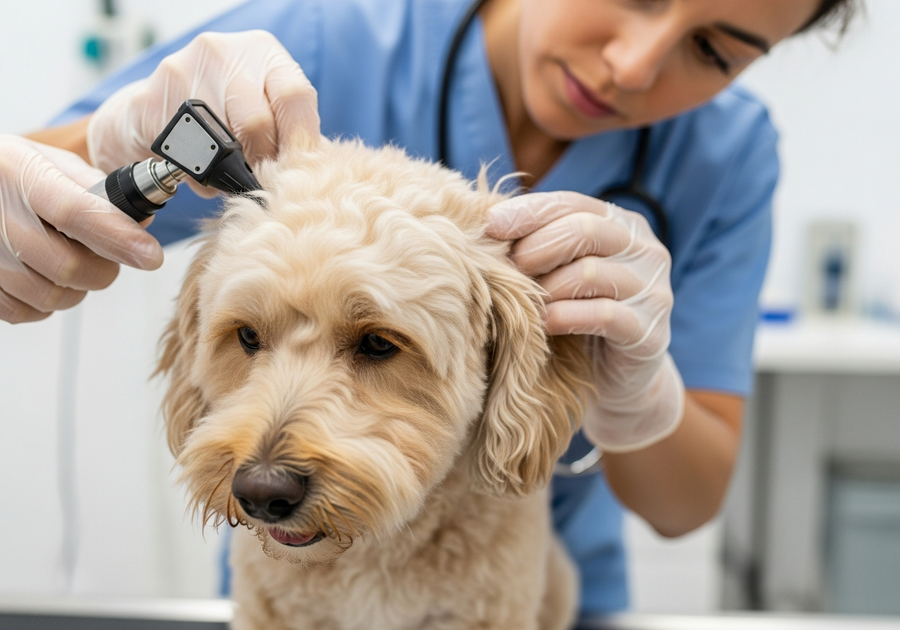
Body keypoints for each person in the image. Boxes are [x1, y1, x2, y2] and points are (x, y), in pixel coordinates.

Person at [2, 0, 859, 619]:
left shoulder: (727, 155)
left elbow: (687, 503)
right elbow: (50, 194)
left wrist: (634, 396)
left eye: (714, 49)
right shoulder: (332, 42)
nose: (632, 65)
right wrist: (95, 148)